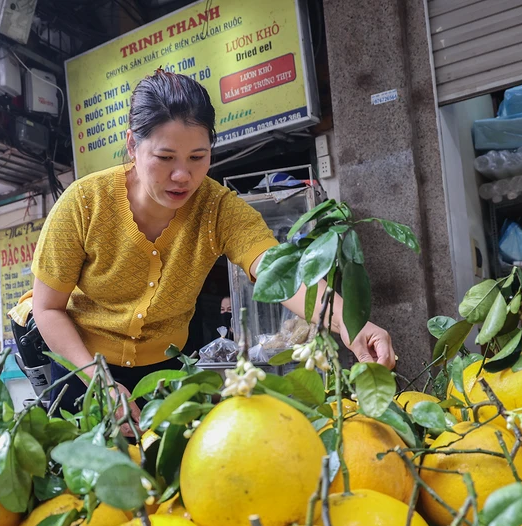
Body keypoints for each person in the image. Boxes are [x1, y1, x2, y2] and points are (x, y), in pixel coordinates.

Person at [31, 69, 396, 422]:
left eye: (197, 157)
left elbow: (277, 270)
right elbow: (48, 309)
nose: (182, 175)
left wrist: (351, 326)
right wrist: (99, 382)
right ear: (132, 145)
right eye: (165, 157)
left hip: (166, 373)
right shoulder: (84, 203)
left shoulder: (218, 209)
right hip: (80, 369)